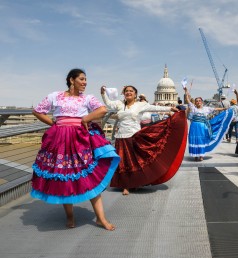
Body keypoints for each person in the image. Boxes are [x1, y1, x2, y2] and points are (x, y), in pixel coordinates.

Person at [31, 68, 120, 230]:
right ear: (71, 80)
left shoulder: (87, 98)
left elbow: (102, 109)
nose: (85, 82)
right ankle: (70, 216)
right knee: (64, 176)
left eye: (86, 79)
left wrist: (86, 118)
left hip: (80, 141)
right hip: (60, 142)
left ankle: (101, 218)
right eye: (82, 79)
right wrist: (53, 124)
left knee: (89, 177)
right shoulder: (55, 96)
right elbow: (37, 111)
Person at [101, 85, 187, 195]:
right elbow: (108, 103)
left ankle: (136, 182)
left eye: (131, 91)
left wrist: (170, 108)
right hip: (121, 137)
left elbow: (155, 108)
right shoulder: (119, 104)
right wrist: (103, 93)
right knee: (122, 162)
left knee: (135, 161)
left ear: (135, 94)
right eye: (126, 91)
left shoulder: (140, 105)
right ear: (124, 93)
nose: (128, 92)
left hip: (134, 136)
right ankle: (125, 186)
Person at [184, 87, 233, 161]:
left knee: (201, 140)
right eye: (196, 101)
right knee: (194, 139)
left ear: (202, 102)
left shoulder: (206, 109)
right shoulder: (194, 108)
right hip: (194, 126)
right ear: (195, 102)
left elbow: (215, 109)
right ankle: (195, 155)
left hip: (202, 127)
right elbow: (187, 100)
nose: (198, 102)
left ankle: (201, 155)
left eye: (199, 101)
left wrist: (224, 109)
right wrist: (186, 91)